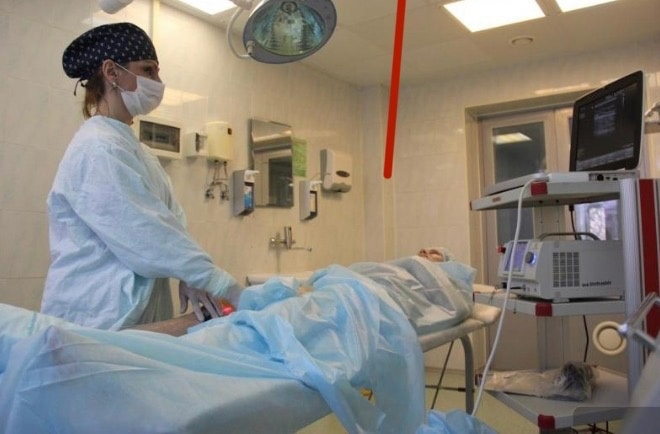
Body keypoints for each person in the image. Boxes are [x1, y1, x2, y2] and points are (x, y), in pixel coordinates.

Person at [41, 22, 240, 330]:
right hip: (97, 313)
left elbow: (170, 223)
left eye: (157, 72)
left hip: (135, 314)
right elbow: (144, 231)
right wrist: (221, 284)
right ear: (112, 71)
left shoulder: (138, 152)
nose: (157, 83)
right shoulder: (98, 148)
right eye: (148, 70)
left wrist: (191, 275)